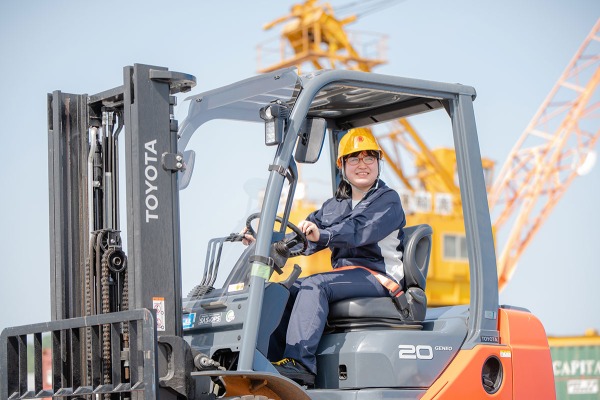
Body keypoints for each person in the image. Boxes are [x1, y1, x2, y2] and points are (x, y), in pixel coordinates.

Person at [244, 129, 406, 386]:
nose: (362, 165)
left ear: (378, 163)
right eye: (354, 159)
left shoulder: (387, 201)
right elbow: (304, 237)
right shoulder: (335, 205)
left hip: (378, 275)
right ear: (342, 165)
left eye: (369, 158)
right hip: (346, 276)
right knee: (284, 290)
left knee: (314, 285)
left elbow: (359, 230)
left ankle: (300, 364)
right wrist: (265, 241)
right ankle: (268, 362)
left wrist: (324, 235)